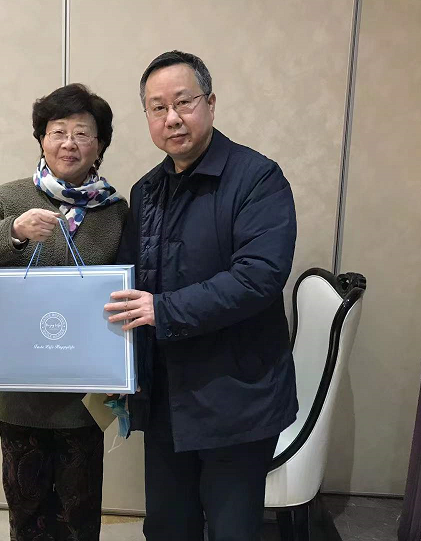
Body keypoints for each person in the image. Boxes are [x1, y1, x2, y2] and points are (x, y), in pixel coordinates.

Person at [104, 51, 298, 541]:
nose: (172, 118)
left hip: (237, 394)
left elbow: (258, 277)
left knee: (232, 529)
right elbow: (127, 287)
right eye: (157, 108)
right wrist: (112, 364)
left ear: (210, 103)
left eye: (184, 102)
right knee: (168, 526)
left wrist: (162, 309)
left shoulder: (257, 178)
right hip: (167, 397)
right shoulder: (146, 191)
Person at [0, 83, 127, 541]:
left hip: (84, 395)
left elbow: (134, 288)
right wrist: (13, 232)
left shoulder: (116, 213)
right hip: (20, 391)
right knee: (27, 515)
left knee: (79, 514)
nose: (69, 143)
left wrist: (127, 366)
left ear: (100, 144)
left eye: (82, 133)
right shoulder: (7, 199)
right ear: (41, 140)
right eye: (57, 132)